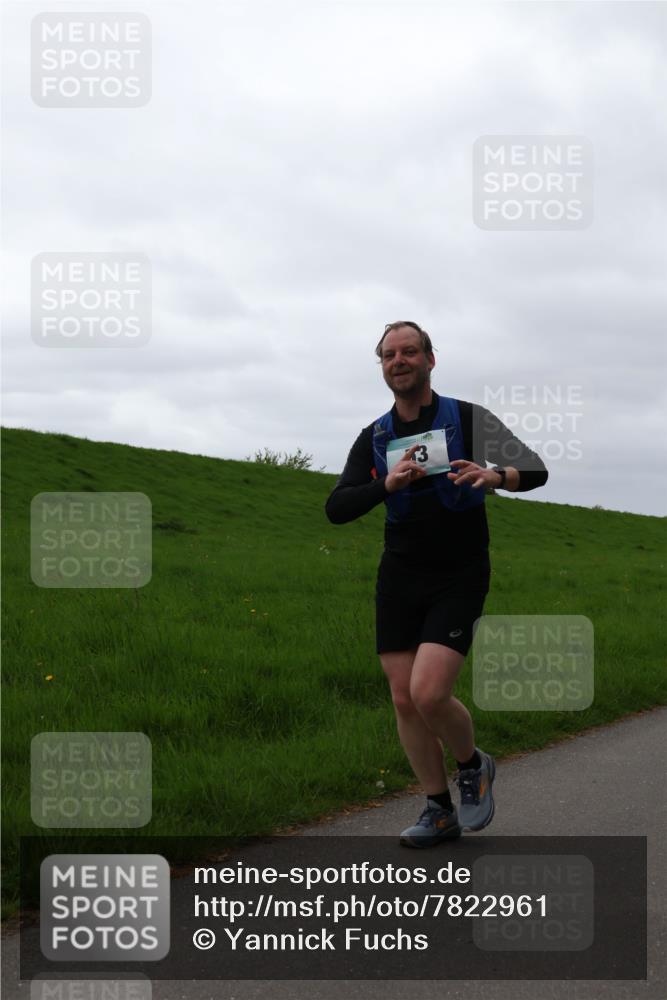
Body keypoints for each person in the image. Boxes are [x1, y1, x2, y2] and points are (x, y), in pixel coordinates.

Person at [324, 321, 548, 847]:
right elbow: (337, 507)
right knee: (404, 698)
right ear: (382, 366)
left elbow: (534, 470)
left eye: (408, 352)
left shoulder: (467, 418)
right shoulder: (376, 436)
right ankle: (439, 810)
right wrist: (386, 483)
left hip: (460, 571)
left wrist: (496, 477)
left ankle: (472, 766)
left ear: (429, 359)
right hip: (400, 574)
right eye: (388, 355)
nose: (398, 361)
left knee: (429, 691)